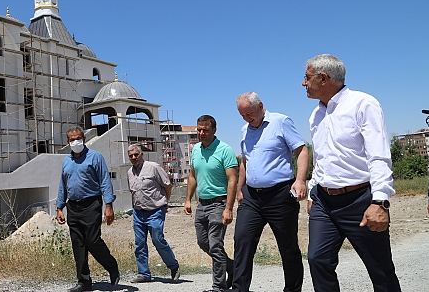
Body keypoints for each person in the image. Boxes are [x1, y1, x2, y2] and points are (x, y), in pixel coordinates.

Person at [302, 54, 401, 292]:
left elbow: (378, 156)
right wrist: (313, 192)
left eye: (306, 77)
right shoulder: (316, 115)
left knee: (380, 269)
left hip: (360, 200)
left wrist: (380, 201)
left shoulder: (363, 104)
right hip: (324, 201)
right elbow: (322, 157)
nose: (304, 83)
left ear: (323, 78)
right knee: (318, 260)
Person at [230, 92, 308, 292]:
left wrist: (300, 180)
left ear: (260, 106)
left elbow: (301, 150)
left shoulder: (281, 122)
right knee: (242, 241)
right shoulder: (244, 130)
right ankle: (239, 289)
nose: (247, 118)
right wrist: (240, 189)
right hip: (251, 197)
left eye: (249, 113)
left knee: (288, 247)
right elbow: (245, 161)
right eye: (243, 115)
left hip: (280, 195)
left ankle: (292, 289)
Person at [55, 127, 120, 292]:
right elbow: (63, 185)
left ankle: (112, 266)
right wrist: (59, 207)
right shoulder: (66, 161)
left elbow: (105, 181)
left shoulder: (95, 157)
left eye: (78, 138)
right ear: (67, 142)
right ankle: (84, 282)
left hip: (92, 204)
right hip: (73, 206)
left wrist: (109, 206)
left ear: (83, 139)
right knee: (78, 244)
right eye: (71, 139)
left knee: (92, 240)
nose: (75, 142)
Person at [184, 115, 238, 292]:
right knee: (203, 242)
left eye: (205, 130)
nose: (201, 133)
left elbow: (232, 180)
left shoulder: (224, 150)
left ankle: (219, 287)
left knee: (215, 244)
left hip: (219, 203)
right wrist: (187, 200)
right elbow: (192, 176)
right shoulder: (196, 150)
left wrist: (228, 208)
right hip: (202, 204)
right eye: (199, 129)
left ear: (214, 130)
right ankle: (231, 266)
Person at [126, 144, 180, 283]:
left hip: (155, 210)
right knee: (139, 244)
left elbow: (167, 185)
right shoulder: (129, 172)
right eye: (131, 155)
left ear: (141, 155)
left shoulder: (153, 167)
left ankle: (173, 266)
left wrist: (165, 202)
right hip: (138, 213)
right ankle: (144, 274)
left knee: (158, 239)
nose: (133, 157)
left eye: (136, 154)